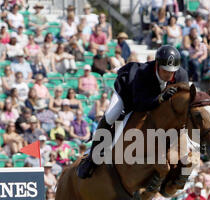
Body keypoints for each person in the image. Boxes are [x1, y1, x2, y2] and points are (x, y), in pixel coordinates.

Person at [77, 45, 189, 178]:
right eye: (165, 71)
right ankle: (91, 159)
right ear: (157, 65)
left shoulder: (181, 75)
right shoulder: (143, 74)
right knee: (111, 116)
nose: (169, 75)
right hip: (128, 94)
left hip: (151, 100)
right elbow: (138, 103)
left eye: (172, 71)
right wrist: (159, 99)